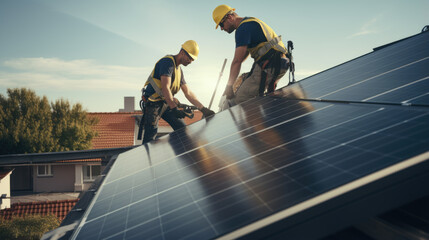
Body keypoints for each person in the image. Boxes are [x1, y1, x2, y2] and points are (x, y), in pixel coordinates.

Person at [212, 4, 290, 109]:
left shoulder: (242, 29)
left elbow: (237, 61)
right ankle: (274, 111)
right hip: (281, 61)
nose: (222, 28)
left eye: (221, 24)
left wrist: (229, 86)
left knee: (241, 98)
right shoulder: (250, 22)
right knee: (246, 83)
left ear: (229, 17)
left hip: (270, 64)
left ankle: (259, 125)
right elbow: (244, 55)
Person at [141, 40, 215, 144]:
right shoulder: (167, 63)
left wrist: (203, 109)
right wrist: (174, 108)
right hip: (153, 103)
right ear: (182, 52)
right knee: (150, 137)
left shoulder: (179, 70)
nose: (190, 61)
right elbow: (165, 87)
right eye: (189, 58)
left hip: (166, 102)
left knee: (182, 129)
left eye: (192, 59)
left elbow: (188, 93)